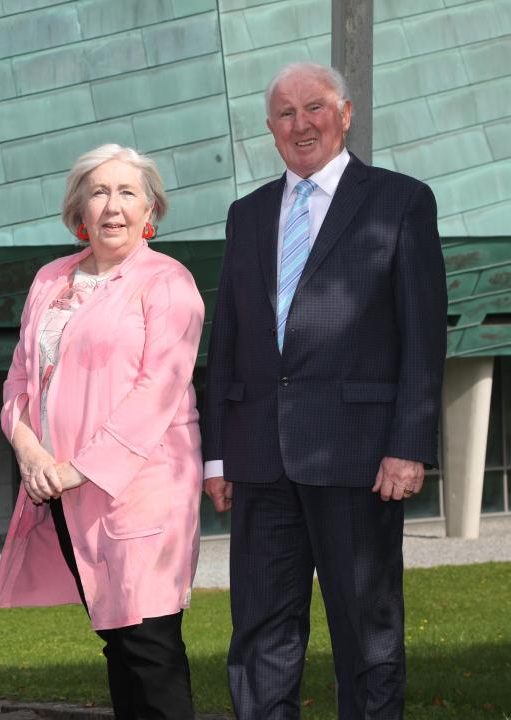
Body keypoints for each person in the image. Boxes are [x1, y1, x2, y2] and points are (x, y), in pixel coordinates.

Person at [203, 61, 447, 719]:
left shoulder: (400, 201)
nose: (300, 124)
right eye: (285, 113)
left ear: (345, 113)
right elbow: (226, 337)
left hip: (359, 458)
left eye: (314, 108)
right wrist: (218, 454)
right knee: (259, 639)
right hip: (259, 460)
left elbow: (423, 336)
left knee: (366, 637)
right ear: (269, 129)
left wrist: (409, 445)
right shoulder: (246, 214)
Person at [0, 144, 204, 719]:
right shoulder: (50, 279)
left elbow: (157, 391)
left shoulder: (168, 282)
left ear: (150, 209)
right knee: (117, 641)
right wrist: (29, 448)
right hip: (62, 490)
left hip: (142, 491)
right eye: (99, 191)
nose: (113, 206)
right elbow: (19, 380)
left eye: (127, 192)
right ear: (78, 208)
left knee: (150, 646)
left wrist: (75, 467)